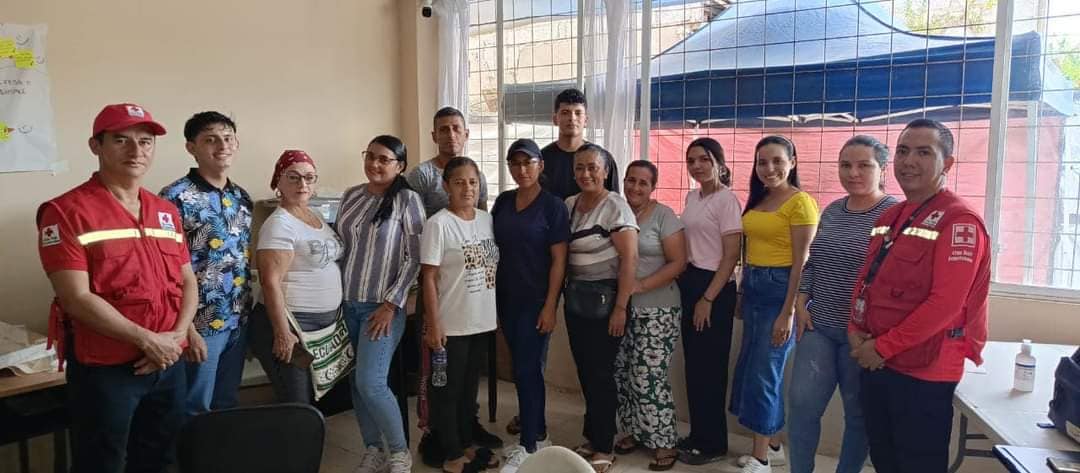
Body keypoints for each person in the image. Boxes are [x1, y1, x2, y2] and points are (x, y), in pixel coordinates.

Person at [36, 103, 196, 472]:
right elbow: (76, 298)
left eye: (145, 141)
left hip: (167, 362)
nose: (136, 150)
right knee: (103, 463)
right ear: (96, 146)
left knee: (161, 458)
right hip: (107, 370)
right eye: (121, 140)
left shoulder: (165, 211)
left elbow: (188, 280)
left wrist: (175, 337)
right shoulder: (66, 211)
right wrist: (148, 340)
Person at [849, 119, 990, 473]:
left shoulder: (959, 221)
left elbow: (946, 304)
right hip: (877, 360)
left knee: (917, 464)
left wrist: (881, 348)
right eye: (903, 151)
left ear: (948, 163)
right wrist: (855, 329)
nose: (909, 161)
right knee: (884, 459)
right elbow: (867, 279)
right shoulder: (891, 216)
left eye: (924, 152)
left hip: (923, 371)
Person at [787, 136, 898, 473]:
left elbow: (897, 280)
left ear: (882, 169)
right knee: (802, 406)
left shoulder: (894, 214)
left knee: (858, 416)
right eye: (845, 165)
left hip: (861, 336)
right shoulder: (834, 210)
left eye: (864, 165)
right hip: (818, 326)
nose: (853, 173)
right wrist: (801, 300)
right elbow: (814, 260)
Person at [730, 136, 819, 473]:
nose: (769, 169)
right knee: (757, 369)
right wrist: (742, 292)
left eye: (777, 161)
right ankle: (774, 446)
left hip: (780, 291)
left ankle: (761, 459)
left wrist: (788, 311)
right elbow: (749, 250)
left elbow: (802, 263)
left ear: (792, 162)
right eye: (762, 162)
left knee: (764, 374)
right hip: (754, 286)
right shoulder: (761, 198)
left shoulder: (801, 202)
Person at [336, 136, 425, 473]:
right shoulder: (351, 196)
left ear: (399, 166)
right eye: (370, 156)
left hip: (382, 308)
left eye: (384, 159)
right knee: (356, 383)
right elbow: (341, 247)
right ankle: (373, 450)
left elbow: (415, 257)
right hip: (347, 304)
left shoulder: (407, 200)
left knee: (370, 382)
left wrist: (391, 304)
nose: (374, 164)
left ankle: (400, 453)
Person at [160, 111, 253, 417]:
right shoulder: (174, 198)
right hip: (199, 322)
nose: (222, 146)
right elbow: (165, 271)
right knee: (193, 406)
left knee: (226, 403)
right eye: (211, 139)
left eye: (228, 138)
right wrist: (186, 329)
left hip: (237, 318)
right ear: (192, 148)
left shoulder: (241, 197)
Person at [490, 139, 570, 472]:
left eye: (528, 163)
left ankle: (530, 445)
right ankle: (536, 433)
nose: (522, 170)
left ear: (540, 165)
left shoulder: (553, 206)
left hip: (536, 301)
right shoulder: (503, 202)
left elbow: (559, 261)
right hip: (506, 298)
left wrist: (550, 305)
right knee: (520, 369)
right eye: (515, 163)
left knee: (528, 370)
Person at [421, 156, 502, 473]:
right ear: (446, 186)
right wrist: (434, 324)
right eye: (459, 182)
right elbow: (429, 277)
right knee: (447, 390)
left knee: (469, 389)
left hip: (481, 320)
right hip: (451, 324)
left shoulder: (486, 220)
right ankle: (451, 455)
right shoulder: (438, 224)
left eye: (472, 182)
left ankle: (466, 443)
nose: (467, 188)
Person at [563, 144, 638, 473]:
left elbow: (630, 259)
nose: (585, 173)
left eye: (592, 167)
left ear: (606, 171)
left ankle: (605, 445)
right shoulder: (570, 204)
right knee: (585, 372)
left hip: (607, 303)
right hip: (577, 300)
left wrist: (621, 307)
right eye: (579, 167)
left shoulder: (615, 206)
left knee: (601, 374)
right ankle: (592, 437)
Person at [249, 150, 344, 404]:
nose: (303, 184)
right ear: (278, 182)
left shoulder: (315, 216)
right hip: (291, 326)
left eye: (309, 177)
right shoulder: (279, 224)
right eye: (293, 177)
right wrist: (282, 333)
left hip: (319, 329)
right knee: (296, 401)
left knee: (310, 399)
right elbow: (270, 282)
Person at [612, 160, 687, 471]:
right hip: (622, 308)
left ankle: (665, 441)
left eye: (643, 182)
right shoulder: (617, 212)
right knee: (623, 372)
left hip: (659, 309)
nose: (635, 187)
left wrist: (639, 286)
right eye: (631, 180)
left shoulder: (664, 216)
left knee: (648, 376)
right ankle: (635, 431)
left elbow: (678, 262)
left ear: (653, 187)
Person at [674, 137, 743, 466]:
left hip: (714, 287)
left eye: (704, 159)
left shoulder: (727, 200)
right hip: (691, 282)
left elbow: (731, 256)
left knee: (711, 369)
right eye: (691, 160)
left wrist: (707, 298)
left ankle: (714, 443)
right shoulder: (693, 196)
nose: (697, 166)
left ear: (719, 163)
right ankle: (699, 434)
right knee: (694, 366)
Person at [539, 88, 620, 200]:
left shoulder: (603, 159)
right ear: (555, 119)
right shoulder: (541, 160)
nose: (572, 118)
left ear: (586, 120)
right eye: (565, 113)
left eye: (578, 113)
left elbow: (613, 202)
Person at [407, 106, 490, 215]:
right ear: (434, 136)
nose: (451, 135)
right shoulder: (421, 175)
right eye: (444, 130)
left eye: (456, 129)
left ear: (466, 134)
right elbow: (413, 220)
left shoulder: (477, 176)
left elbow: (483, 217)